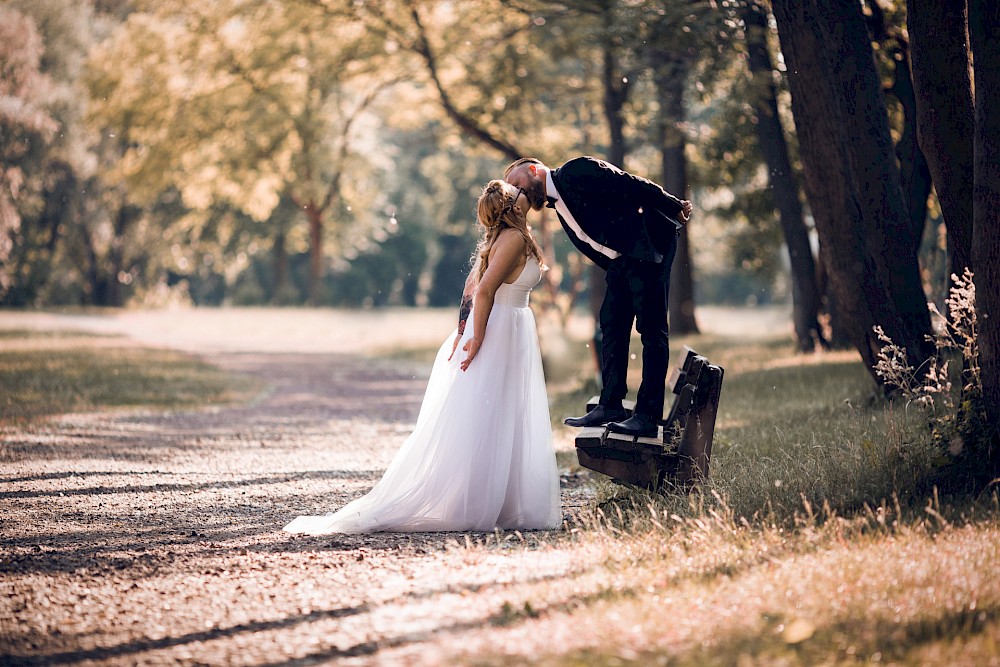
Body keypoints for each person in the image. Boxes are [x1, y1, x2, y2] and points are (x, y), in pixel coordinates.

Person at [283, 180, 560, 535]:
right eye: (519, 192)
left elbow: (470, 289)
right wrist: (475, 338)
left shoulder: (504, 239)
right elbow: (485, 289)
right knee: (493, 413)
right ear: (515, 207)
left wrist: (463, 330)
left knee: (500, 413)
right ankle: (478, 501)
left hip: (508, 328)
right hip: (501, 328)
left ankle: (502, 500)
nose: (525, 193)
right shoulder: (514, 239)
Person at [504, 156, 693, 438]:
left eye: (516, 184)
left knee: (651, 330)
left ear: (534, 170)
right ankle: (610, 405)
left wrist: (673, 205)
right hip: (622, 261)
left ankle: (647, 416)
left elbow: (630, 183)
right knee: (611, 325)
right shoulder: (559, 205)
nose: (517, 193)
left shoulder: (576, 170)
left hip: (649, 246)